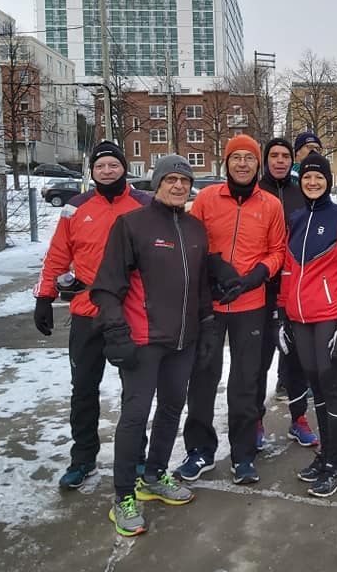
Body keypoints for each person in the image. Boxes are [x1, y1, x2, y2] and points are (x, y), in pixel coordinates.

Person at [90, 154, 211, 537]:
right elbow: (107, 286)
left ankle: (154, 476)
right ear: (157, 184)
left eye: (184, 180)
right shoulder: (132, 225)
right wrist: (115, 332)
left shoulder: (195, 228)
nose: (178, 186)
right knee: (135, 415)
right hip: (142, 341)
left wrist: (206, 328)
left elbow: (201, 287)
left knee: (172, 408)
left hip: (183, 340)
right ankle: (124, 495)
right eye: (170, 179)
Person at [33, 140, 151, 490]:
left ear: (124, 168)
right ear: (92, 171)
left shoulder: (144, 205)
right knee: (83, 389)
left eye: (113, 165)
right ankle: (83, 457)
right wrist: (44, 297)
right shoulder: (76, 207)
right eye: (100, 166)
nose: (107, 171)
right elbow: (58, 254)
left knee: (135, 392)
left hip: (130, 313)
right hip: (87, 313)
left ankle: (137, 456)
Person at [175, 135, 286, 486]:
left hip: (251, 303)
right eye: (235, 157)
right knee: (203, 376)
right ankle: (200, 450)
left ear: (257, 164)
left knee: (245, 380)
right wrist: (213, 265)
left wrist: (256, 276)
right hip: (211, 302)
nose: (242, 164)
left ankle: (243, 454)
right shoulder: (207, 198)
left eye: (249, 158)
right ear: (226, 163)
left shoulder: (270, 204)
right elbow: (191, 241)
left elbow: (278, 251)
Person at [277, 152, 337, 497]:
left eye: (319, 177)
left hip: (330, 318)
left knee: (331, 388)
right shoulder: (296, 218)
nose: (313, 182)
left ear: (327, 181)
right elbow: (287, 271)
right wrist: (283, 315)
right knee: (316, 386)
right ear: (301, 181)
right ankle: (325, 456)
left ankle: (336, 466)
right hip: (300, 320)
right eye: (308, 177)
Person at [256, 137, 318, 447]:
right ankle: (255, 419)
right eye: (274, 156)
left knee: (295, 359)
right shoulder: (256, 192)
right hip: (261, 289)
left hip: (295, 287)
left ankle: (298, 418)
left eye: (285, 156)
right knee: (259, 359)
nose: (279, 161)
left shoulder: (300, 194)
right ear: (266, 160)